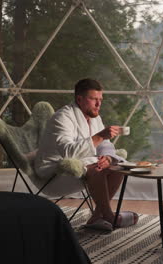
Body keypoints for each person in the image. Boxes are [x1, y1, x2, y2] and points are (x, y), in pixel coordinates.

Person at [35, 78, 138, 231]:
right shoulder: (62, 117)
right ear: (79, 99)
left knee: (117, 167)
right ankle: (109, 216)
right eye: (93, 99)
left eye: (100, 100)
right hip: (56, 173)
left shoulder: (94, 118)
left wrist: (107, 158)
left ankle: (97, 217)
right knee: (96, 168)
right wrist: (100, 136)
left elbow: (105, 146)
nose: (98, 104)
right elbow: (68, 152)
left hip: (79, 167)